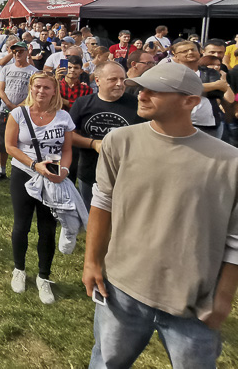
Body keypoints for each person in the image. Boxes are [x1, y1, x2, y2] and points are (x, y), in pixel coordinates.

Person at [82, 63, 238, 368]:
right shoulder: (119, 142)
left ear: (190, 101)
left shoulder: (229, 162)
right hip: (121, 290)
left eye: (156, 90)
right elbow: (102, 204)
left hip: (192, 302)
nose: (142, 95)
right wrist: (91, 261)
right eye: (141, 87)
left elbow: (235, 237)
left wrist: (224, 296)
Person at [5, 72, 75, 304]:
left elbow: (67, 149)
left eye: (47, 87)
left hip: (53, 178)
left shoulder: (63, 116)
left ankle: (44, 277)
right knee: (21, 225)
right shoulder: (18, 113)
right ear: (30, 88)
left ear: (54, 91)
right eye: (37, 87)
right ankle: (19, 270)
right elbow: (10, 146)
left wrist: (63, 171)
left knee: (47, 228)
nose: (41, 91)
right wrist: (35, 165)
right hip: (24, 173)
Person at [70, 61, 142, 210]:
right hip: (90, 173)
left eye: (122, 79)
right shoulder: (83, 103)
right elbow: (68, 135)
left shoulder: (137, 105)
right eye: (113, 79)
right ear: (97, 81)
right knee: (91, 220)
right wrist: (93, 143)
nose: (119, 84)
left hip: (127, 174)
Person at [0, 41, 38, 184]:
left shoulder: (33, 72)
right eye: (15, 51)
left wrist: (19, 106)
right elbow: (1, 89)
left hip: (25, 112)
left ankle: (21, 170)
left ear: (27, 52)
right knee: (3, 141)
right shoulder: (6, 69)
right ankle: (2, 170)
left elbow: (33, 93)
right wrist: (9, 104)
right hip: (5, 110)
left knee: (23, 141)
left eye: (20, 51)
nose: (17, 54)